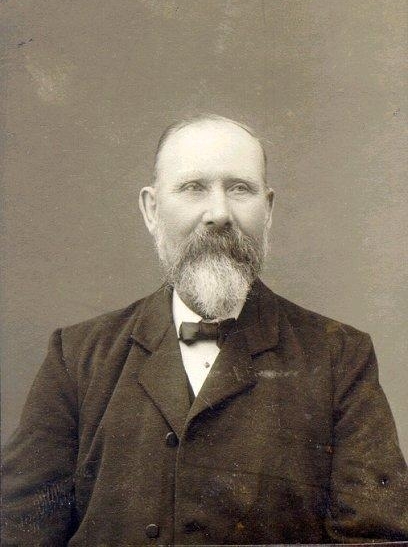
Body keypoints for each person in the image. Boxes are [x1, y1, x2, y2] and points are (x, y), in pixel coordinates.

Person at [2, 114, 407, 546]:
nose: (219, 214)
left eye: (240, 188)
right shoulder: (77, 356)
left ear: (268, 209)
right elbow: (18, 532)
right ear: (151, 210)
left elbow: (376, 539)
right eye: (193, 187)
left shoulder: (339, 356)